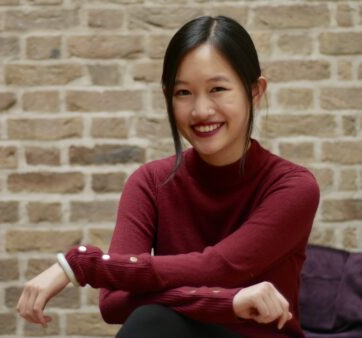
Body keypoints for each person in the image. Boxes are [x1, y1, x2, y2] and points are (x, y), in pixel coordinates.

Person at [16, 15, 320, 338]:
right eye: (183, 93)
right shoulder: (149, 183)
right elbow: (113, 302)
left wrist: (82, 264)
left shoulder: (293, 187)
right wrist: (229, 302)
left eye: (218, 89)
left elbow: (218, 268)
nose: (201, 110)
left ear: (255, 91)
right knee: (153, 321)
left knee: (153, 319)